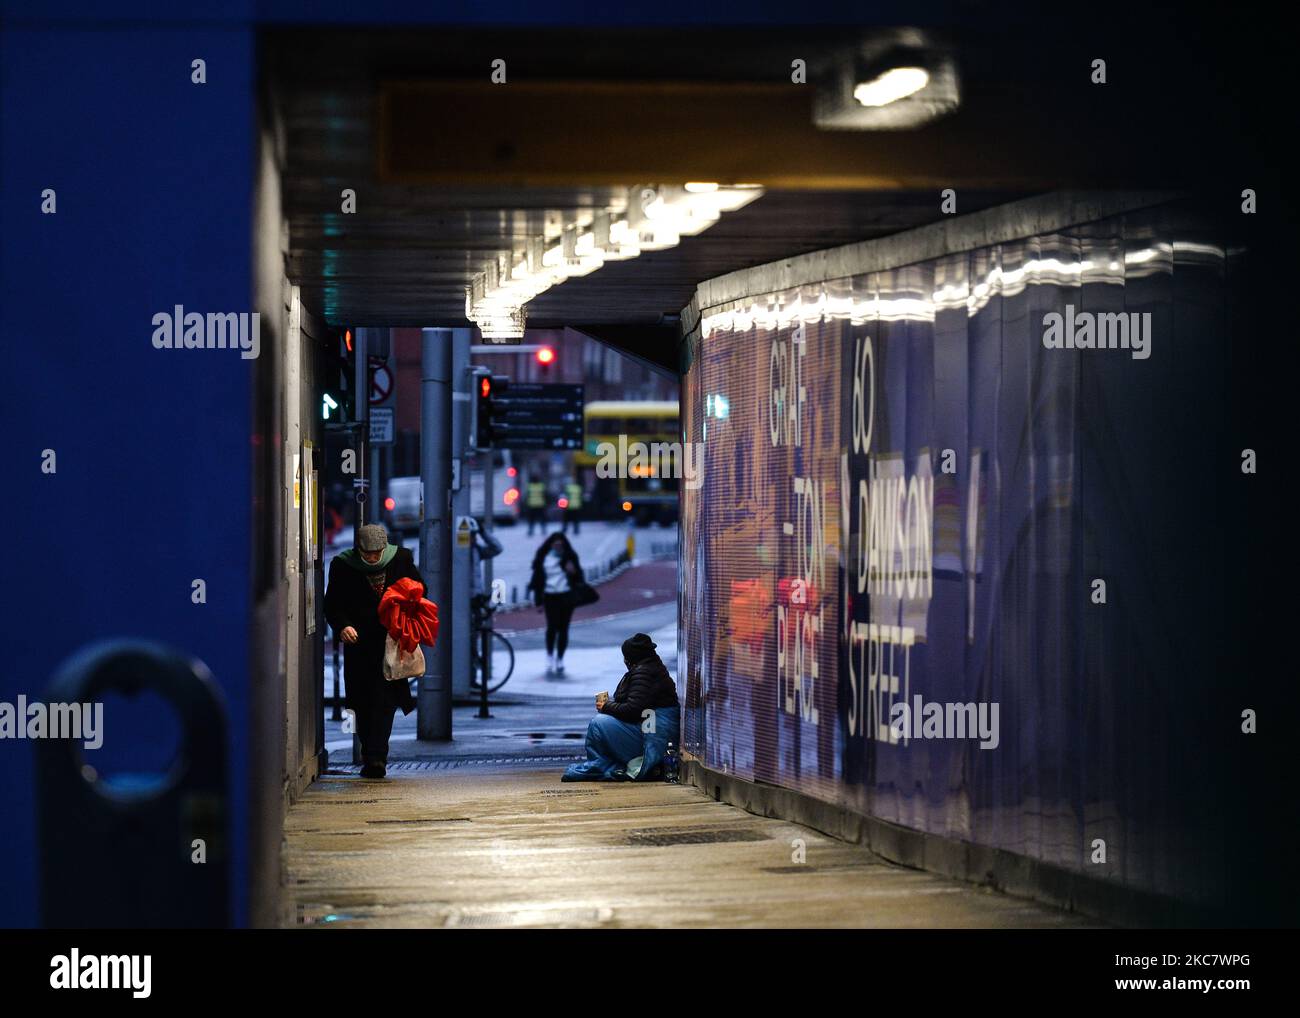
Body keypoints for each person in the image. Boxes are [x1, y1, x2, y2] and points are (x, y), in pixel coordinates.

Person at [324, 523, 426, 778]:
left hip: (390, 642)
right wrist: (343, 626)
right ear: (358, 549)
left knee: (385, 701)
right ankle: (370, 750)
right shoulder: (343, 565)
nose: (372, 557)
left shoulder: (401, 558)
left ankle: (376, 757)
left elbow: (420, 590)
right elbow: (332, 604)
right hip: (359, 645)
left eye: (377, 552)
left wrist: (405, 610)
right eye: (367, 553)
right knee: (360, 701)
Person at [562, 633, 681, 782]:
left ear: (631, 657)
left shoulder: (643, 672)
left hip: (653, 736)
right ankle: (606, 764)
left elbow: (633, 710)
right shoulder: (652, 667)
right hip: (650, 729)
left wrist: (606, 706)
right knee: (604, 722)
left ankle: (599, 766)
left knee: (598, 724)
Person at [527, 532, 585, 675]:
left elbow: (580, 578)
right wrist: (538, 601)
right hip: (550, 597)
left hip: (566, 596)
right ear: (550, 544)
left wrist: (573, 572)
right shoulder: (544, 558)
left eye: (560, 544)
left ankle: (560, 658)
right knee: (552, 627)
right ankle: (549, 656)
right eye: (555, 543)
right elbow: (537, 581)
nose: (558, 546)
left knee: (564, 628)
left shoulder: (570, 557)